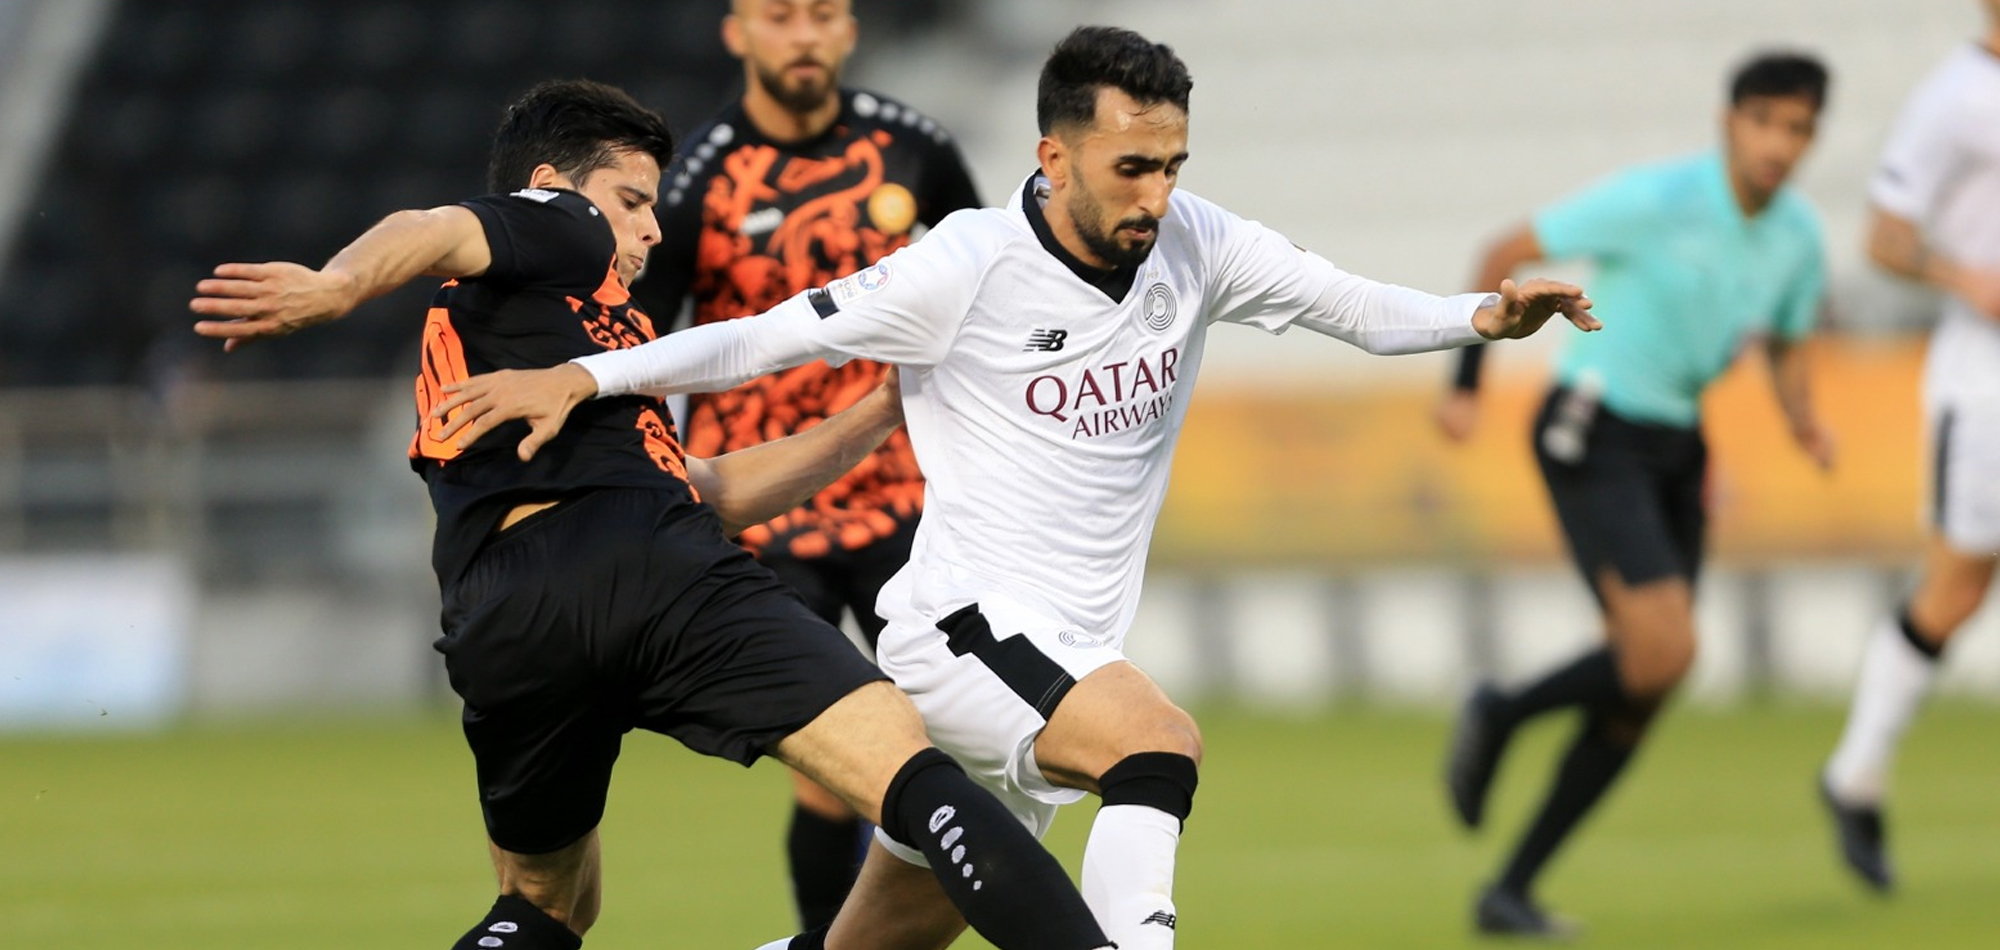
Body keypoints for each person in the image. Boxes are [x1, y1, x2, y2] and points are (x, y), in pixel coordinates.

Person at [427, 27, 1596, 950]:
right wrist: (585, 374)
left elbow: (1342, 301)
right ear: (1052, 155)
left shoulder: (1196, 243)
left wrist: (1480, 318)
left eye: (1172, 164)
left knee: (874, 941)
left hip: (1065, 645)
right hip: (966, 630)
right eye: (1130, 167)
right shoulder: (965, 266)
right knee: (1155, 747)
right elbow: (762, 338)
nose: (1154, 194)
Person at [188, 78, 1114, 950]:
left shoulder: (552, 330)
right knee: (912, 774)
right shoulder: (560, 230)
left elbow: (712, 491)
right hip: (652, 569)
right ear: (552, 188)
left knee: (547, 905)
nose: (652, 230)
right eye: (633, 199)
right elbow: (432, 225)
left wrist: (884, 407)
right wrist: (336, 285)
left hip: (507, 611)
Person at [1434, 52, 1835, 936]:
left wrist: (1803, 422)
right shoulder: (1659, 199)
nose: (1781, 143)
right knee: (1663, 651)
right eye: (1766, 121)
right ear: (1731, 123)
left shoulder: (1798, 237)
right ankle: (1500, 711)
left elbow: (1790, 341)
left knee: (1650, 683)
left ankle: (1511, 890)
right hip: (1594, 421)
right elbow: (1507, 250)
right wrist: (1466, 380)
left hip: (1678, 443)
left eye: (1799, 128)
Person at [632, 0, 981, 928]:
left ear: (851, 29)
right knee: (837, 769)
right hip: (764, 509)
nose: (803, 35)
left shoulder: (919, 151)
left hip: (906, 501)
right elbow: (636, 340)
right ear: (736, 32)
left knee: (961, 733)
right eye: (779, 15)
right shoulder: (693, 181)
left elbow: (992, 299)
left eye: (822, 13)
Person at [1820, 1, 2000, 894]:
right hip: (1984, 380)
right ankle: (1855, 773)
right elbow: (1885, 239)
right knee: (1960, 587)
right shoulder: (1955, 100)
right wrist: (1966, 275)